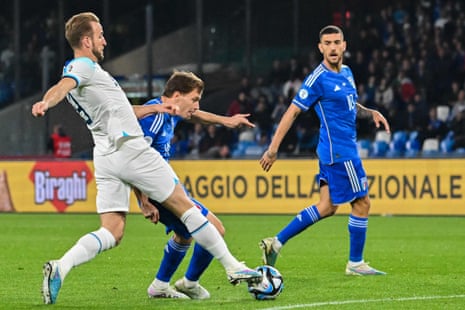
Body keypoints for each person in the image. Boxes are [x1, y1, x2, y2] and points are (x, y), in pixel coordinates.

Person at [31, 12, 261, 305]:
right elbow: (63, 86)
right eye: (100, 34)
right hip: (129, 148)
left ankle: (61, 267)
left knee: (112, 231)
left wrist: (157, 109)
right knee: (185, 206)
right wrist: (45, 102)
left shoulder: (93, 75)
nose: (105, 39)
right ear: (86, 40)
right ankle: (233, 267)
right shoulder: (82, 66)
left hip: (105, 155)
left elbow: (125, 110)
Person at [258, 25, 390, 276]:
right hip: (340, 152)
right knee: (362, 202)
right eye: (327, 43)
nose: (332, 47)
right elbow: (292, 111)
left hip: (334, 150)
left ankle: (275, 243)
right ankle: (355, 263)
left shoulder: (348, 72)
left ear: (344, 46)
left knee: (327, 206)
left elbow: (349, 103)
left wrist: (370, 111)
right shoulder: (318, 79)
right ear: (320, 48)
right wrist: (273, 149)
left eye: (336, 42)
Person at [132, 71, 255, 299]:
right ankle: (190, 282)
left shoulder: (169, 111)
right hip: (158, 190)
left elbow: (196, 116)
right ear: (177, 95)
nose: (197, 105)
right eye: (195, 99)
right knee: (215, 229)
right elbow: (132, 158)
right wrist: (144, 201)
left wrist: (226, 121)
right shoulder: (154, 116)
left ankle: (160, 286)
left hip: (165, 185)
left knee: (184, 234)